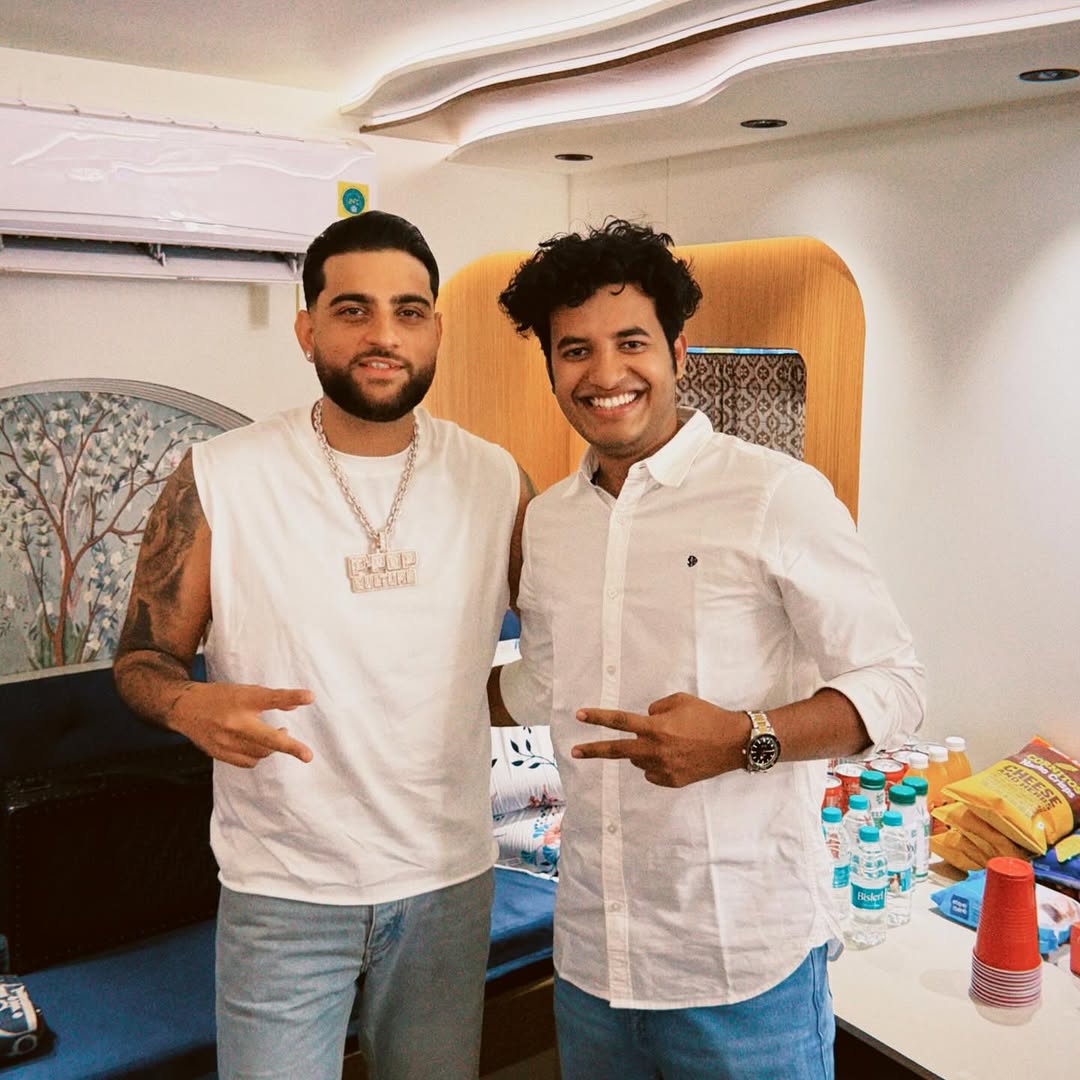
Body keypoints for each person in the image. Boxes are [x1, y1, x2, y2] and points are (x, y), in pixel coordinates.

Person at [494, 219, 925, 1080]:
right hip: (593, 962)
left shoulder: (774, 494)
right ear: (550, 367)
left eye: (631, 343)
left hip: (744, 970)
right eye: (575, 350)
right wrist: (400, 692)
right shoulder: (548, 522)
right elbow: (541, 682)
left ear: (678, 353)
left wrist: (743, 738)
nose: (605, 374)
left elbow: (896, 685)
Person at [114, 210, 533, 1080]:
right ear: (308, 330)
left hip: (448, 880)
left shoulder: (496, 479)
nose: (384, 335)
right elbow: (142, 659)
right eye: (353, 310)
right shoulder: (221, 476)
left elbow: (564, 647)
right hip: (284, 889)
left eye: (409, 311)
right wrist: (188, 704)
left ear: (436, 330)